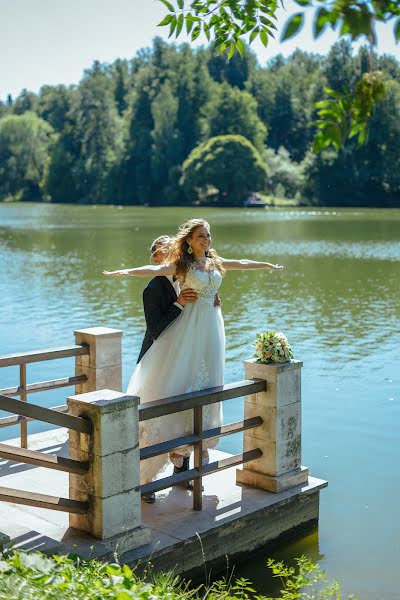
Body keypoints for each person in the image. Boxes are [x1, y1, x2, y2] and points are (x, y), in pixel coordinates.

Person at [103, 218, 283, 501]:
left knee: (203, 387)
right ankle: (146, 475)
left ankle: (184, 466)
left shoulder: (213, 261)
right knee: (178, 386)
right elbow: (155, 269)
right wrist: (124, 271)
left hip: (212, 330)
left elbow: (240, 263)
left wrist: (265, 265)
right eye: (201, 236)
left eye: (209, 235)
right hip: (188, 330)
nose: (206, 240)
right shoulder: (182, 267)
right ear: (189, 240)